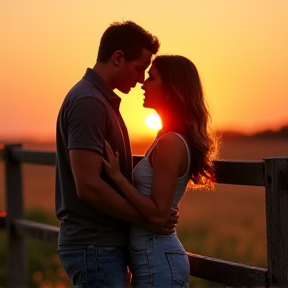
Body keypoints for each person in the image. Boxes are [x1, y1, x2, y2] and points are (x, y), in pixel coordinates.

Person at [55, 21, 179, 288]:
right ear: (118, 58)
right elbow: (87, 185)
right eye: (138, 69)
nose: (140, 79)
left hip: (100, 246)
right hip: (95, 245)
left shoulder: (100, 100)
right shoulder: (89, 102)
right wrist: (149, 219)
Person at [103, 55, 219, 288]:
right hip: (151, 256)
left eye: (151, 78)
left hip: (158, 258)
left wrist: (118, 178)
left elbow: (157, 214)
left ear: (171, 89)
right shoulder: (164, 138)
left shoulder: (171, 143)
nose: (143, 84)